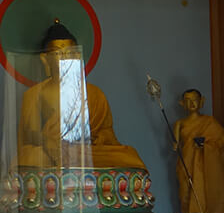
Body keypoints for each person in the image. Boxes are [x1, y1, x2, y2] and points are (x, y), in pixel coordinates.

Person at [17, 19, 146, 170]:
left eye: (70, 53)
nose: (64, 58)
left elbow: (107, 132)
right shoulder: (35, 94)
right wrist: (48, 142)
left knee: (130, 156)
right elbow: (29, 135)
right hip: (51, 152)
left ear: (78, 57)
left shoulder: (94, 93)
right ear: (45, 59)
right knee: (28, 157)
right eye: (58, 53)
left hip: (85, 152)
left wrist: (100, 138)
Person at [173, 88, 224, 213]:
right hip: (186, 163)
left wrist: (206, 145)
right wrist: (175, 145)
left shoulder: (210, 122)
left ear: (202, 101)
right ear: (182, 103)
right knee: (186, 192)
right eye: (187, 101)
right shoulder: (179, 124)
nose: (192, 104)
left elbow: (220, 143)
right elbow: (176, 144)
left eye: (195, 100)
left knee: (205, 191)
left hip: (205, 165)